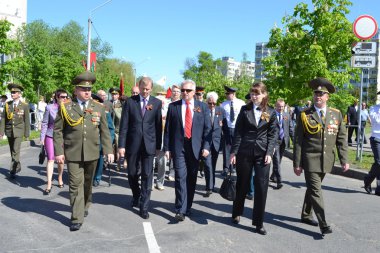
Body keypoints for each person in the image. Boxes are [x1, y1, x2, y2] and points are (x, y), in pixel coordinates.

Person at [54, 71, 114, 231]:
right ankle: (76, 217)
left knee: (87, 184)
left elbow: (105, 131)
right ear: (75, 90)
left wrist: (109, 150)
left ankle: (86, 204)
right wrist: (59, 152)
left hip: (92, 152)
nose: (87, 91)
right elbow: (58, 131)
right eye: (83, 89)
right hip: (72, 153)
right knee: (74, 185)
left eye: (89, 89)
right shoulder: (66, 107)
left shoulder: (99, 108)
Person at [293, 77, 349, 236]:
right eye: (316, 93)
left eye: (321, 94)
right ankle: (323, 224)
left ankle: (305, 214)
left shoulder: (336, 115)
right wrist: (297, 163)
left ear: (327, 97)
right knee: (316, 191)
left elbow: (341, 140)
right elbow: (298, 141)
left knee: (312, 189)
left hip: (327, 160)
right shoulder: (305, 115)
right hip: (310, 159)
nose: (318, 96)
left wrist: (344, 160)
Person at [230, 82, 277, 235]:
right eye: (252, 93)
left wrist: (269, 153)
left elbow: (273, 134)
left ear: (264, 94)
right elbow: (238, 132)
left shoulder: (270, 111)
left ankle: (258, 222)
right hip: (244, 151)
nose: (254, 96)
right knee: (242, 185)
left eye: (257, 93)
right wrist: (233, 152)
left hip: (263, 154)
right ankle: (237, 212)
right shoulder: (245, 110)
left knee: (261, 187)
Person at [164, 80, 211, 221]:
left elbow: (208, 129)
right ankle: (180, 209)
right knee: (180, 177)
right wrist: (167, 148)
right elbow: (168, 130)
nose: (185, 93)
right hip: (179, 147)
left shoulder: (202, 107)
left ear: (194, 92)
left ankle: (187, 206)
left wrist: (206, 147)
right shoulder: (173, 107)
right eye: (183, 90)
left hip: (195, 148)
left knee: (191, 178)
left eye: (188, 91)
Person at [118, 77, 162, 219]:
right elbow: (124, 126)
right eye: (143, 88)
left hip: (149, 145)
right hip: (133, 144)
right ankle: (136, 195)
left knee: (147, 176)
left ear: (151, 88)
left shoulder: (156, 103)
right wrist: (121, 146)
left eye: (147, 89)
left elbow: (158, 126)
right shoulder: (130, 102)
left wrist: (158, 146)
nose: (144, 91)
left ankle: (144, 206)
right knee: (132, 173)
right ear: (139, 86)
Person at [40, 89, 68, 194]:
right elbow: (45, 123)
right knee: (51, 159)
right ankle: (49, 184)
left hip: (62, 137)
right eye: (62, 97)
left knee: (61, 160)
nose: (64, 99)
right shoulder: (49, 107)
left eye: (66, 97)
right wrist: (42, 138)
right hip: (50, 135)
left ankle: (60, 177)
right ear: (57, 97)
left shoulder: (69, 108)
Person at [0, 83, 30, 179]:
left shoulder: (24, 105)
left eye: (14, 92)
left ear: (19, 94)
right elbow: (4, 118)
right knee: (11, 149)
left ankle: (12, 169)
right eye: (11, 92)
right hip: (9, 130)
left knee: (15, 150)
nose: (12, 94)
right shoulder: (7, 105)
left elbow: (27, 120)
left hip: (19, 131)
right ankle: (17, 165)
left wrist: (26, 133)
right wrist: (1, 132)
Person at [270, 98, 294, 189]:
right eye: (279, 106)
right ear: (275, 106)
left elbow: (291, 128)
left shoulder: (286, 115)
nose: (281, 108)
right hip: (274, 141)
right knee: (276, 160)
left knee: (278, 160)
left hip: (283, 141)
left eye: (282, 106)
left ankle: (273, 176)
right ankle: (279, 181)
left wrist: (294, 141)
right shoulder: (271, 114)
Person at [221, 85, 245, 176]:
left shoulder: (241, 103)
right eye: (226, 93)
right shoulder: (224, 104)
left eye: (228, 93)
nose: (226, 95)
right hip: (227, 128)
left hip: (238, 129)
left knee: (237, 148)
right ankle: (226, 168)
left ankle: (235, 167)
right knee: (226, 148)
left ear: (233, 94)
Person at [203, 91, 224, 196]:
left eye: (214, 103)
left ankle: (212, 185)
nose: (211, 105)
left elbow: (224, 127)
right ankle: (209, 187)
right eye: (209, 103)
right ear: (207, 102)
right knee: (207, 165)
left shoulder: (221, 111)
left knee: (213, 166)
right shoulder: (203, 111)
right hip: (206, 143)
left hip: (216, 143)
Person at [92, 92, 115, 187]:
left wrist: (108, 143)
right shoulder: (87, 112)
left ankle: (97, 178)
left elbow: (110, 129)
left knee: (100, 161)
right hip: (89, 142)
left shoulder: (105, 114)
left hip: (100, 141)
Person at [364, 93, 380, 195]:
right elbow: (376, 121)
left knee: (379, 164)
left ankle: (378, 187)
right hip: (376, 139)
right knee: (379, 162)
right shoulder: (374, 108)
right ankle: (368, 180)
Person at [166, 84, 181, 182]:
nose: (175, 93)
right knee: (169, 152)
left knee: (177, 154)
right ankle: (170, 171)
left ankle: (174, 171)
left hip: (178, 133)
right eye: (174, 91)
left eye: (177, 91)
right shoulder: (167, 103)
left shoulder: (181, 104)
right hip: (168, 130)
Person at [109, 87, 124, 170]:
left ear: (118, 95)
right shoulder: (108, 103)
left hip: (118, 129)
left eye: (116, 94)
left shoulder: (121, 104)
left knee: (118, 146)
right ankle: (107, 162)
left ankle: (118, 163)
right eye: (113, 94)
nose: (114, 96)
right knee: (109, 146)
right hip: (109, 128)